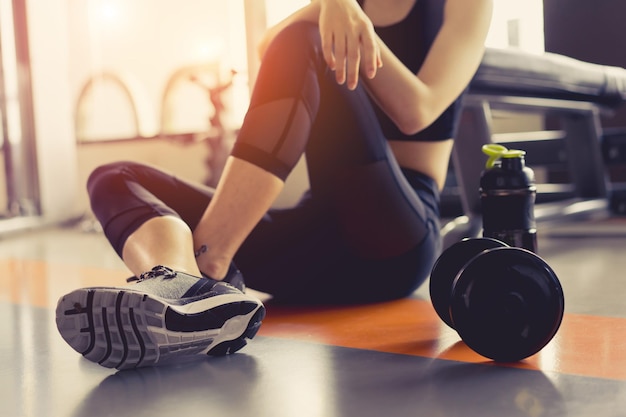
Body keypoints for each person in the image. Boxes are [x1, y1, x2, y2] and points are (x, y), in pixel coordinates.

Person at [56, 0, 493, 370]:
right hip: (315, 236)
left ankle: (210, 267)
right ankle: (182, 287)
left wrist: (340, 22)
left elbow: (419, 109)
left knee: (308, 43)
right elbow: (271, 49)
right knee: (113, 178)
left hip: (395, 237)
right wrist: (334, 5)